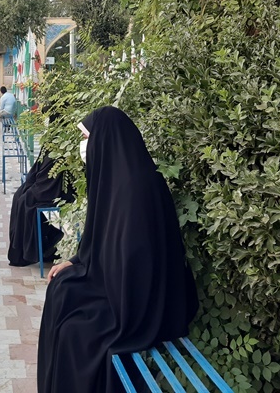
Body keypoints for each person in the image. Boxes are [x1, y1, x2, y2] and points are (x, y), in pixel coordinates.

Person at [37, 106, 199, 393]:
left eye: (86, 137)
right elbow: (102, 241)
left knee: (76, 331)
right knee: (61, 288)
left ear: (105, 139)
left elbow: (138, 261)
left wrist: (94, 277)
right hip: (114, 281)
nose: (84, 145)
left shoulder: (137, 188)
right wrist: (76, 261)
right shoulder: (115, 178)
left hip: (134, 298)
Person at [7, 149, 76, 266]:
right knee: (19, 195)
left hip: (56, 187)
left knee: (26, 202)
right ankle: (22, 251)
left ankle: (35, 250)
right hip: (47, 179)